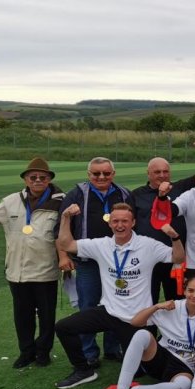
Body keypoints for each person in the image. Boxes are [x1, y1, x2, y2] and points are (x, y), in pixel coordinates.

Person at [54, 202, 184, 389]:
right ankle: (83, 370)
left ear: (133, 223)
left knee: (146, 372)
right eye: (115, 221)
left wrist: (175, 237)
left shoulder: (148, 245)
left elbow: (178, 257)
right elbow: (66, 244)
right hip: (108, 312)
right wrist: (66, 218)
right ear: (110, 223)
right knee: (63, 327)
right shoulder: (101, 245)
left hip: (136, 319)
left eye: (124, 221)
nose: (120, 225)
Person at [0, 157, 65, 368]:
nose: (37, 180)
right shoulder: (11, 201)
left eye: (42, 177)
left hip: (45, 270)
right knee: (22, 316)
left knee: (47, 317)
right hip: (17, 271)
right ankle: (26, 352)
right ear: (26, 179)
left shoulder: (62, 201)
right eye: (33, 177)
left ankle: (43, 352)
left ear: (49, 179)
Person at [101, 274, 195, 389]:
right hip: (160, 356)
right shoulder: (172, 306)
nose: (194, 295)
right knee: (141, 335)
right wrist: (157, 306)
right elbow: (135, 322)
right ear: (184, 291)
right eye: (190, 290)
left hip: (184, 366)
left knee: (182, 387)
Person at [56, 157, 133, 366]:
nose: (101, 177)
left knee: (116, 304)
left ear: (113, 174)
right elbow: (60, 228)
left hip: (117, 263)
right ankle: (89, 353)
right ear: (88, 174)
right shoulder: (76, 195)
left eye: (106, 173)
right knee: (88, 306)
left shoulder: (124, 193)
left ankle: (112, 348)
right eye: (96, 174)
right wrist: (63, 256)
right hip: (88, 262)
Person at [130, 139, 195, 303]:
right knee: (147, 300)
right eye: (157, 172)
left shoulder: (180, 188)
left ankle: (176, 329)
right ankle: (149, 329)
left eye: (165, 171)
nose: (162, 175)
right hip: (148, 258)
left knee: (177, 300)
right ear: (148, 173)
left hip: (175, 257)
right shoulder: (136, 195)